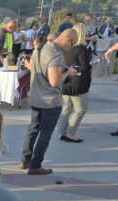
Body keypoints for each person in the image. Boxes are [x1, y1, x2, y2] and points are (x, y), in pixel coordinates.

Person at [21, 28, 78, 175]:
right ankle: (35, 165)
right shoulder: (56, 54)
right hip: (50, 100)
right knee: (45, 133)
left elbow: (37, 68)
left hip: (36, 97)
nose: (70, 48)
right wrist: (68, 72)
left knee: (33, 128)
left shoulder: (41, 47)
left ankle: (25, 160)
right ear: (68, 38)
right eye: (72, 44)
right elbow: (54, 81)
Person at [58, 23, 91, 144]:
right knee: (81, 109)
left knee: (66, 109)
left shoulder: (66, 48)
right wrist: (92, 65)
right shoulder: (81, 49)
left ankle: (62, 131)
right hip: (78, 85)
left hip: (66, 82)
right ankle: (70, 133)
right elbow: (85, 67)